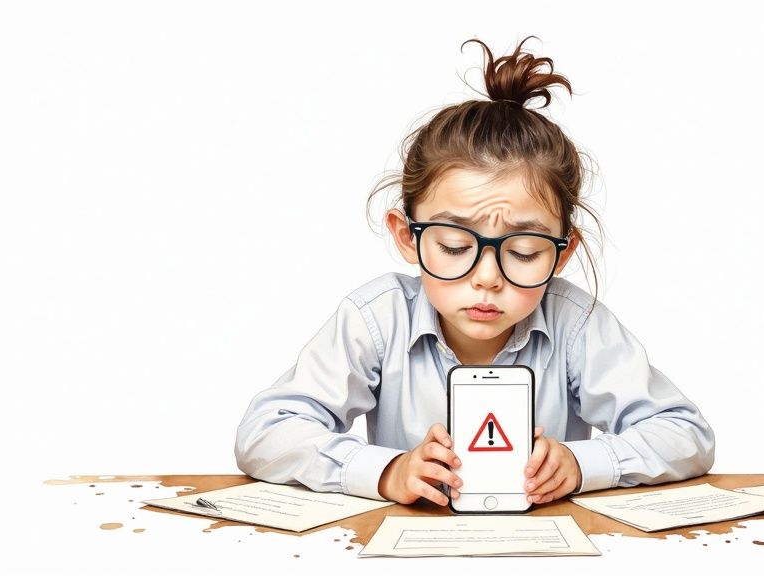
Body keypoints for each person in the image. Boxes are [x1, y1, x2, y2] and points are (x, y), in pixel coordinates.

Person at [234, 36, 714, 508]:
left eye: (524, 252)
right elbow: (266, 433)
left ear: (563, 255)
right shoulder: (376, 319)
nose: (487, 277)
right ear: (407, 236)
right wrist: (383, 471)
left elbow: (686, 434)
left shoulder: (576, 324)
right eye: (455, 245)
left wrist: (581, 463)